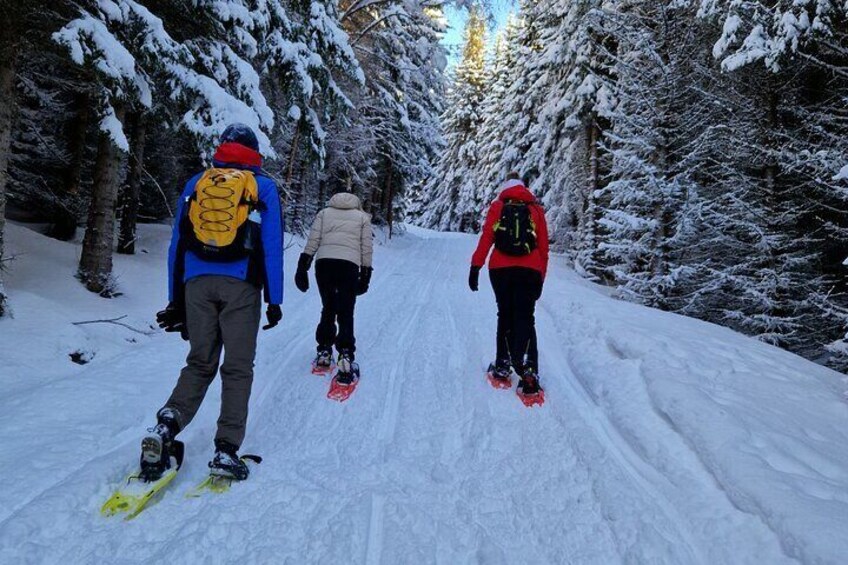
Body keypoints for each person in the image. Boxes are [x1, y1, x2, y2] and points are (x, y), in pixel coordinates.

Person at [150, 123, 284, 481]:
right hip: (241, 285)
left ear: (222, 149)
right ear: (254, 152)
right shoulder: (263, 187)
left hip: (195, 283)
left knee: (199, 362)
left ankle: (166, 426)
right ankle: (225, 450)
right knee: (237, 368)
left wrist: (175, 298)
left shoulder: (197, 183)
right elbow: (271, 248)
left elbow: (177, 245)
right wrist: (275, 299)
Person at [469, 171, 549, 400]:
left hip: (500, 269)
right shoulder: (535, 210)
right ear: (524, 187)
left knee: (505, 314)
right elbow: (543, 246)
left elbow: (486, 237)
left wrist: (476, 267)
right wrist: (541, 277)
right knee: (526, 316)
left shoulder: (498, 206)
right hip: (530, 270)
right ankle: (529, 370)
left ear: (506, 186)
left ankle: (503, 365)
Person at [294, 189, 373, 388]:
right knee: (346, 310)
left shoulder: (324, 213)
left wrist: (302, 266)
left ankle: (324, 351)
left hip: (324, 264)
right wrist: (365, 274)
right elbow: (366, 248)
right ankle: (345, 355)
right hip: (349, 266)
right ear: (356, 203)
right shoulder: (362, 217)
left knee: (328, 306)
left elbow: (313, 240)